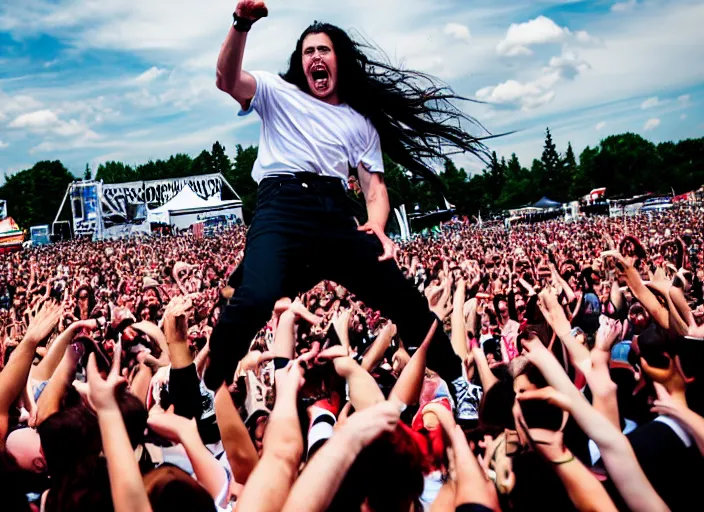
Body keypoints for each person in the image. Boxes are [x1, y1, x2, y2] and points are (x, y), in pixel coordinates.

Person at [204, 0, 486, 391]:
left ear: (339, 59)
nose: (315, 57)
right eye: (308, 51)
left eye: (324, 50)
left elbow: (374, 187)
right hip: (282, 202)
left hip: (335, 212)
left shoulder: (359, 121)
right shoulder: (276, 91)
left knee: (404, 299)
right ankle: (206, 388)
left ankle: (458, 382)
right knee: (255, 298)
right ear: (299, 63)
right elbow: (226, 79)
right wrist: (241, 25)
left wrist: (378, 225)